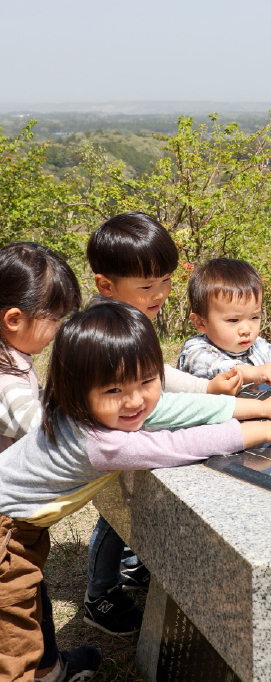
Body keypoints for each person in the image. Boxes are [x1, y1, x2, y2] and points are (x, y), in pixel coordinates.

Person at [0, 299, 271, 682]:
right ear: (77, 389)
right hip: (6, 538)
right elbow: (173, 446)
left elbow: (173, 407)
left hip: (20, 529)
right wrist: (258, 431)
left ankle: (50, 672)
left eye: (147, 381)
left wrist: (250, 407)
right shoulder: (100, 441)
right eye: (114, 389)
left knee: (32, 604)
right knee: (12, 637)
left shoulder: (93, 407)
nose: (135, 400)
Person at [84, 212, 241, 636]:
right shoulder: (105, 328)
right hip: (110, 438)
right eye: (148, 286)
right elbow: (147, 398)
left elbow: (155, 374)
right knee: (115, 516)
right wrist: (216, 407)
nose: (161, 294)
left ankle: (136, 567)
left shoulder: (130, 315)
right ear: (106, 285)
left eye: (167, 281)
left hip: (129, 429)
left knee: (137, 505)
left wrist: (207, 388)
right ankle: (99, 594)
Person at [0, 242, 102, 682]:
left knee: (31, 592)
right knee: (13, 617)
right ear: (14, 319)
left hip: (14, 515)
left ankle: (49, 668)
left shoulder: (13, 357)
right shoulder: (5, 379)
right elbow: (39, 422)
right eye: (56, 318)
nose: (60, 329)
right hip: (6, 524)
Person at [177, 258, 271, 386]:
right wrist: (253, 372)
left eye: (254, 317)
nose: (246, 329)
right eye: (233, 320)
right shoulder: (195, 351)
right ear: (200, 323)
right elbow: (219, 369)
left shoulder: (258, 347)